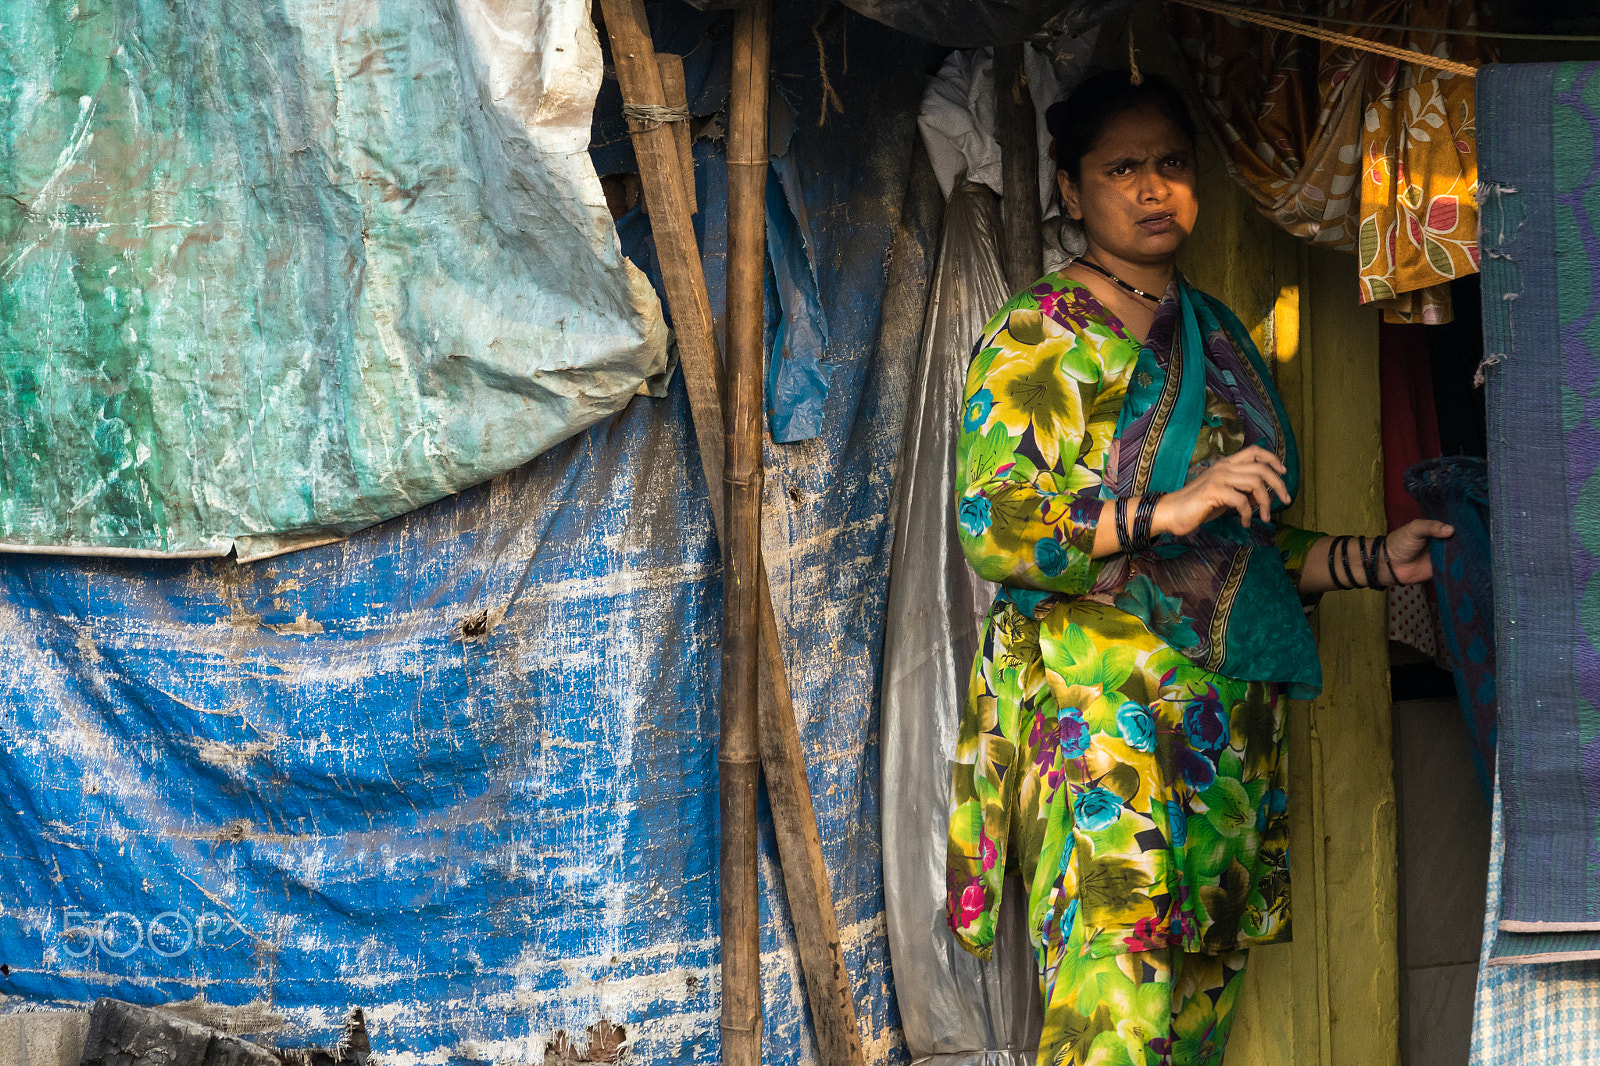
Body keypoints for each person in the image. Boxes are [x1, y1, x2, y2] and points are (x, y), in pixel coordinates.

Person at [944, 70, 1452, 1066]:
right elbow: (995, 524)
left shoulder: (1215, 335)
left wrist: (1369, 560)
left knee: (1193, 1027)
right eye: (1121, 168)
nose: (1151, 188)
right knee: (1112, 1023)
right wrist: (1160, 506)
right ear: (1070, 187)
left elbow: (1240, 551)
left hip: (1218, 739)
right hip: (1102, 726)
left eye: (1169, 164)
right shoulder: (1039, 332)